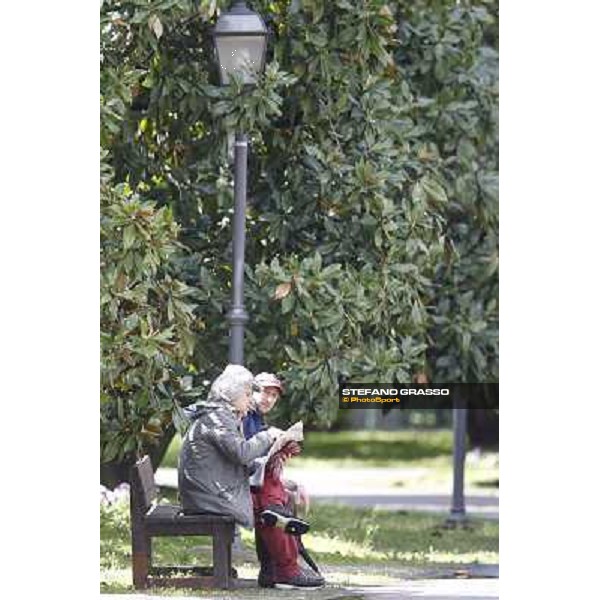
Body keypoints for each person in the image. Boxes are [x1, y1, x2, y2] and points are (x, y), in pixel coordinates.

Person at [243, 372, 324, 589]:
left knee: (280, 500)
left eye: (273, 395)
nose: (268, 399)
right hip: (234, 487)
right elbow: (244, 460)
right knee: (271, 508)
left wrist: (281, 458)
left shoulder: (256, 419)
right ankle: (285, 570)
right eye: (263, 392)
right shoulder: (244, 417)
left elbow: (255, 462)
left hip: (245, 483)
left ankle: (273, 569)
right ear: (250, 391)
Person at [178, 364, 282, 528]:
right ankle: (278, 551)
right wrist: (268, 436)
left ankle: (279, 549)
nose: (250, 400)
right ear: (232, 395)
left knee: (273, 501)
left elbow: (235, 460)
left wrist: (265, 463)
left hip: (206, 494)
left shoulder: (222, 416)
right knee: (271, 505)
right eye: (247, 394)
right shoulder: (217, 419)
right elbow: (241, 453)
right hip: (207, 499)